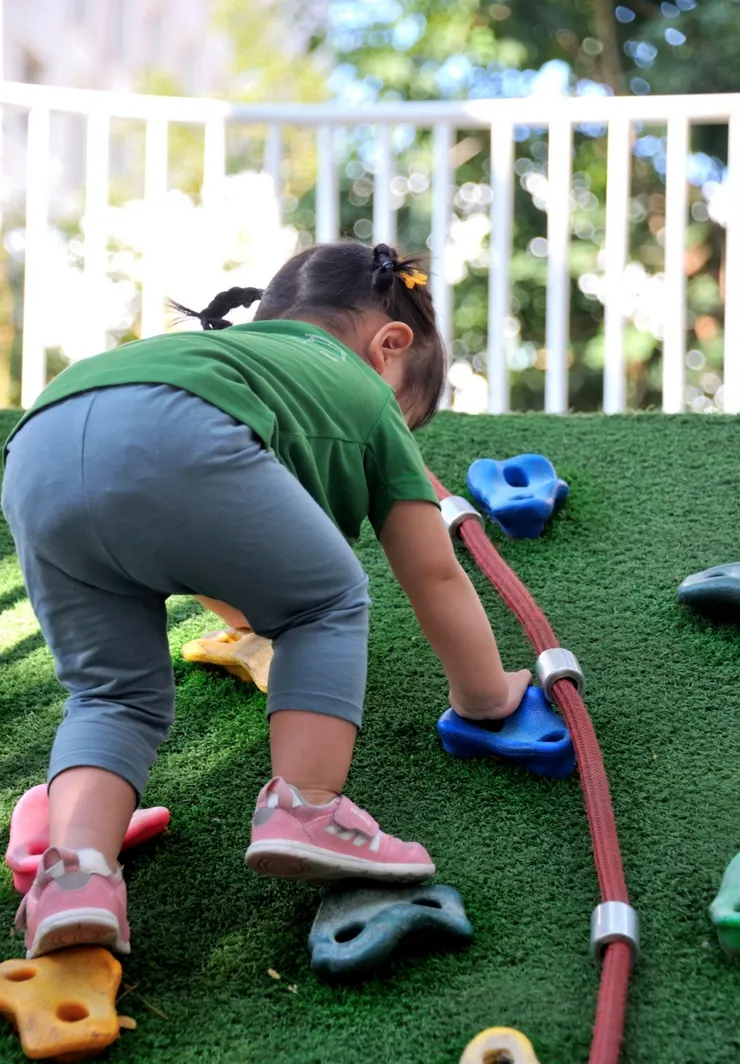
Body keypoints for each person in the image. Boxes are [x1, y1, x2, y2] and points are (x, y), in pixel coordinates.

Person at [2, 241, 531, 960]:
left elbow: (211, 535)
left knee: (110, 694)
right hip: (180, 432)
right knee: (328, 600)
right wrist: (487, 697)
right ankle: (306, 806)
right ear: (389, 345)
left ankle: (74, 877)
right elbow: (433, 572)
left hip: (41, 445)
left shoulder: (234, 361)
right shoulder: (363, 386)